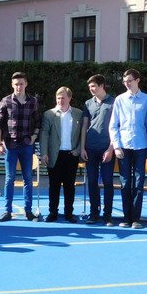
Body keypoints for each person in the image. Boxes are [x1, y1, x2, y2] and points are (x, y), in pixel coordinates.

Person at [109, 69, 147, 228]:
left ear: (137, 80)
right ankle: (126, 217)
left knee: (138, 182)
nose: (127, 84)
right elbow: (113, 125)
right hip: (123, 146)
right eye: (124, 81)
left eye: (129, 80)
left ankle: (136, 218)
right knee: (125, 182)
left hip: (141, 146)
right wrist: (116, 146)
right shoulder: (120, 99)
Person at [0, 72, 39, 222]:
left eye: (21, 84)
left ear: (26, 84)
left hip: (26, 145)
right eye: (16, 84)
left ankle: (28, 211)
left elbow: (37, 122)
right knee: (9, 179)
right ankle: (7, 211)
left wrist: (33, 137)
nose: (18, 87)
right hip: (10, 146)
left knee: (28, 178)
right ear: (12, 85)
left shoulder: (33, 101)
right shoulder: (5, 101)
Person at [40, 87, 85, 222]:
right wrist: (44, 153)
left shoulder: (78, 114)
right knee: (54, 186)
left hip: (71, 155)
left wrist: (78, 150)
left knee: (69, 186)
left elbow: (83, 134)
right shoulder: (49, 114)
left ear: (70, 98)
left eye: (63, 98)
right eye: (58, 98)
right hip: (55, 155)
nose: (60, 100)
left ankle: (69, 213)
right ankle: (53, 212)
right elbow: (44, 134)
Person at [81, 74, 116, 226]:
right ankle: (94, 213)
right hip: (90, 148)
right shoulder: (88, 103)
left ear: (102, 86)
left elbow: (117, 126)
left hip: (107, 148)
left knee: (108, 182)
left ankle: (107, 215)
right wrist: (82, 147)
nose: (91, 89)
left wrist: (111, 148)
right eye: (89, 87)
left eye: (93, 86)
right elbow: (84, 126)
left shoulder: (114, 102)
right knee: (92, 182)